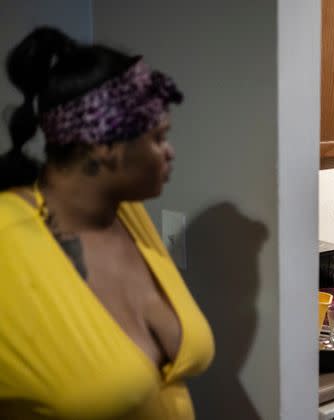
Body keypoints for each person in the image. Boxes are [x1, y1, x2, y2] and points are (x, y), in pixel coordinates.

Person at [0, 27, 214, 419]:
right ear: (104, 144)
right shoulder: (7, 243)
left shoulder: (125, 215)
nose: (170, 153)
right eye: (158, 138)